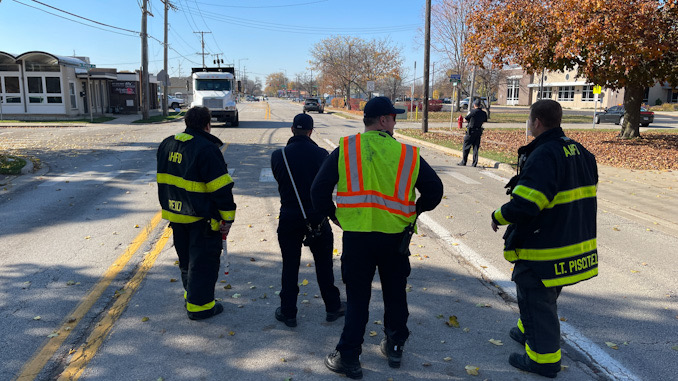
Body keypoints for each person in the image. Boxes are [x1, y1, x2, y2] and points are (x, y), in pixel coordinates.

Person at [312, 96, 443, 379]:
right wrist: (414, 212)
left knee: (357, 297)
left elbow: (318, 190)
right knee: (395, 292)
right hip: (395, 238)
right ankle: (395, 345)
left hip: (358, 238)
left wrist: (334, 216)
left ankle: (349, 357)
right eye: (393, 117)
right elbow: (435, 190)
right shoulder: (407, 154)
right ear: (383, 120)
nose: (395, 122)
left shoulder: (345, 149)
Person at [491, 99, 598, 378]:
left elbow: (527, 204)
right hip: (571, 241)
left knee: (534, 294)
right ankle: (527, 330)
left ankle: (543, 360)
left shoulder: (544, 154)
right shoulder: (580, 151)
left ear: (536, 122)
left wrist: (498, 216)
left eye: (529, 120)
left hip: (546, 246)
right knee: (544, 294)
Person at [157, 106, 236, 320]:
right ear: (207, 124)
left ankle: (190, 296)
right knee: (203, 263)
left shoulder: (167, 144)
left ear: (187, 122)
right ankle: (200, 308)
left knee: (186, 261)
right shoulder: (206, 149)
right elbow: (220, 188)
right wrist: (228, 218)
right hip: (201, 218)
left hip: (175, 214)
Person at [270, 113, 345, 328]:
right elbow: (329, 184)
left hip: (290, 216)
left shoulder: (278, 155)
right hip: (317, 217)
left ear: (292, 129)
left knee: (290, 265)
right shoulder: (322, 155)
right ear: (311, 131)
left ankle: (288, 311)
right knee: (324, 265)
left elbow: (280, 181)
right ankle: (332, 307)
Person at [458, 99, 488, 167]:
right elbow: (484, 121)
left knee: (466, 147)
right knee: (476, 147)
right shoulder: (484, 113)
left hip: (471, 131)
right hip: (478, 131)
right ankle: (474, 163)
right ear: (480, 105)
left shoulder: (472, 111)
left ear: (474, 105)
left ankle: (464, 162)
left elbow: (465, 119)